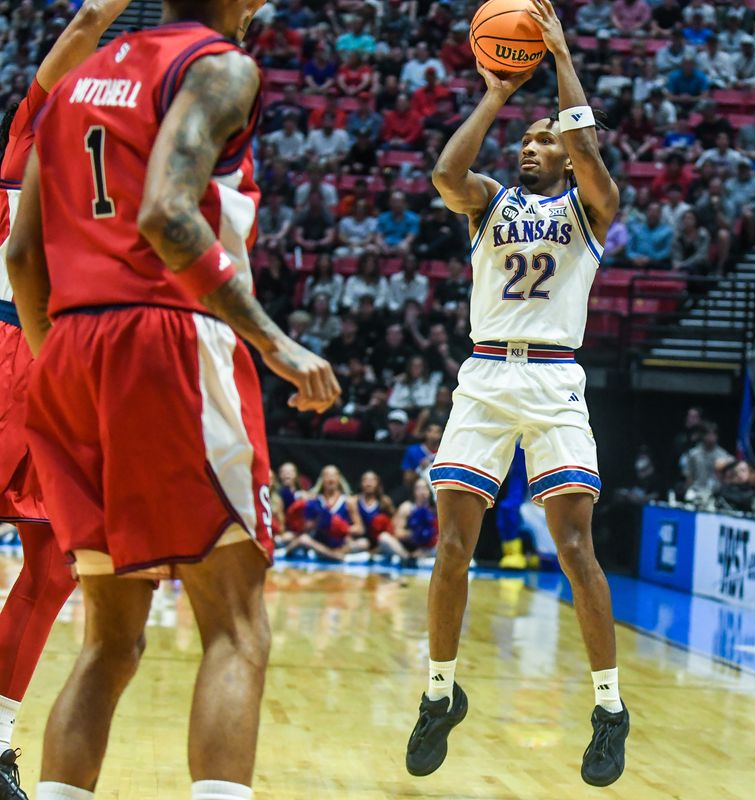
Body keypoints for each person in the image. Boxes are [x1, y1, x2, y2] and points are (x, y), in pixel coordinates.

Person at [5, 4, 340, 800]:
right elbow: (166, 211)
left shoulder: (76, 81)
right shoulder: (218, 66)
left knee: (108, 642)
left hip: (67, 349)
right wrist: (273, 342)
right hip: (168, 339)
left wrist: (64, 364)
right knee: (235, 624)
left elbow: (20, 256)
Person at [407, 1, 628, 786]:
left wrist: (560, 56)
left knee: (574, 548)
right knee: (452, 547)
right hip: (485, 376)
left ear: (566, 152)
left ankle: (608, 708)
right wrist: (497, 92)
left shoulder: (590, 205)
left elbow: (588, 150)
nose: (530, 148)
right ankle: (440, 693)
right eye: (525, 141)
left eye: (544, 140)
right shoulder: (491, 200)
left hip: (555, 378)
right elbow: (444, 175)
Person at [0, 1, 134, 793]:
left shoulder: (119, 166)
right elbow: (86, 20)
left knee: (55, 565)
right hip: (8, 342)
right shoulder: (32, 130)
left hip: (60, 362)